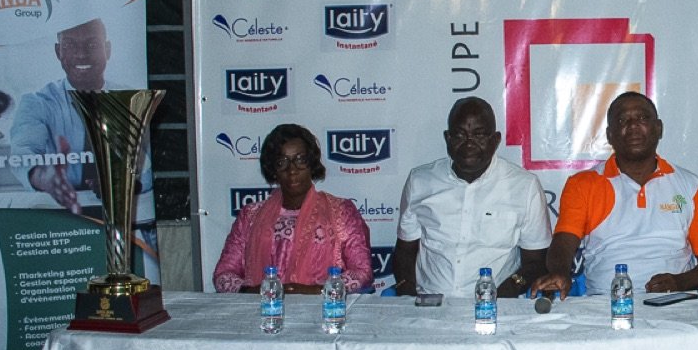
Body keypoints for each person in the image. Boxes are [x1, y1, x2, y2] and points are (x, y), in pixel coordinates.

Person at [531, 91, 698, 297]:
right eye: (623, 120)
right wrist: (560, 272)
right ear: (610, 135)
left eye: (642, 118)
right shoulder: (582, 184)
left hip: (673, 301)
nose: (633, 126)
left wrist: (679, 282)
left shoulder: (691, 185)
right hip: (606, 302)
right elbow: (563, 244)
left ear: (658, 128)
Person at [391, 96, 551, 299]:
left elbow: (536, 261)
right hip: (430, 303)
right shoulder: (419, 181)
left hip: (495, 304)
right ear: (447, 138)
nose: (468, 144)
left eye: (479, 135)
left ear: (496, 140)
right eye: (459, 135)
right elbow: (405, 251)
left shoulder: (524, 186)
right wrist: (407, 293)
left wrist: (508, 290)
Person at [8, 17, 150, 215]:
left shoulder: (132, 101)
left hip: (127, 212)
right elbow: (23, 152)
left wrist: (127, 180)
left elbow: (151, 159)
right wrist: (43, 176)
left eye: (92, 45)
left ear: (107, 50)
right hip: (62, 216)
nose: (81, 54)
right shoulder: (38, 103)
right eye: (70, 45)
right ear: (58, 52)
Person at [212, 123, 373, 295]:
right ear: (273, 169)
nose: (292, 170)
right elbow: (223, 275)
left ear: (311, 163)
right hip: (263, 307)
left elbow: (362, 272)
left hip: (323, 306)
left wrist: (314, 291)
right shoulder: (250, 215)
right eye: (282, 162)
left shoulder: (341, 212)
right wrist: (256, 292)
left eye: (300, 160)